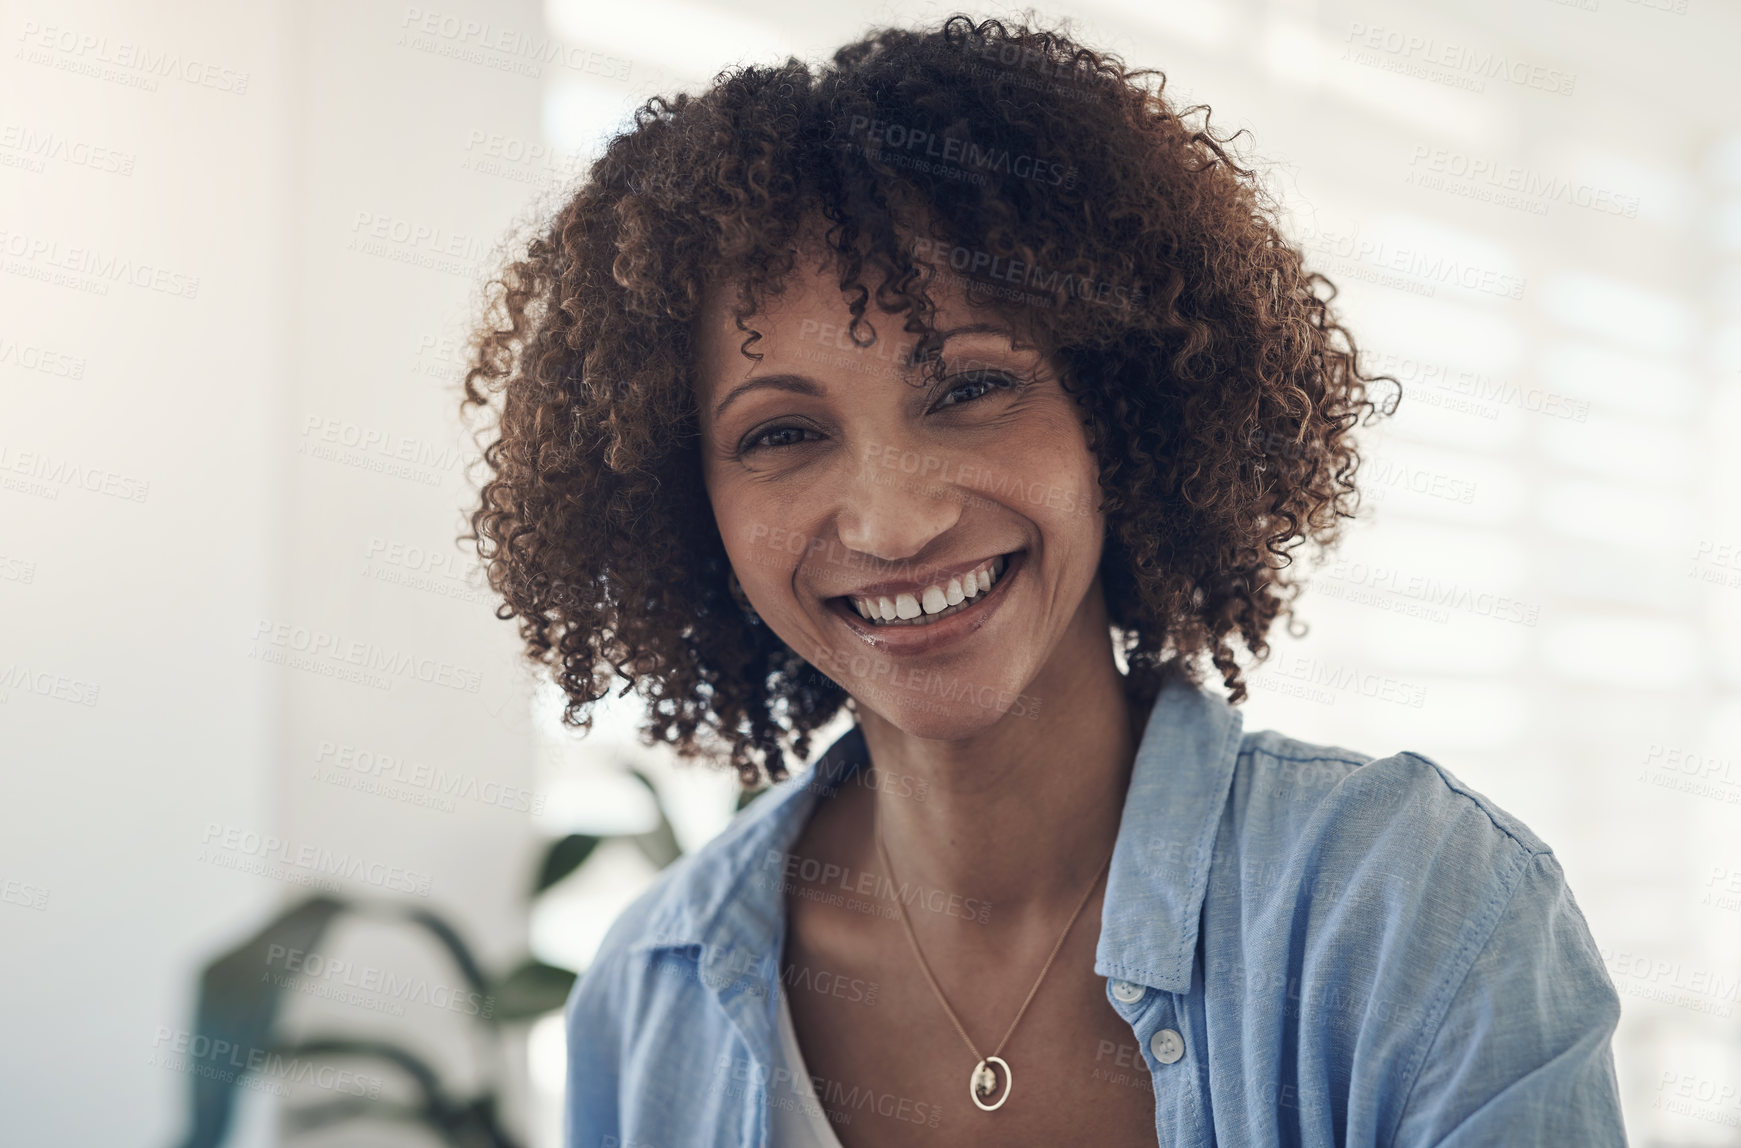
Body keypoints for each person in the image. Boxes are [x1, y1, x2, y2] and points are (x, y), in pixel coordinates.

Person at [459, 14, 1627, 1147]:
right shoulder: (654, 994)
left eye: (969, 388)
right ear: (685, 498)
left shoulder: (1421, 913)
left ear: (1117, 414)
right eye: (778, 435)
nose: (894, 518)